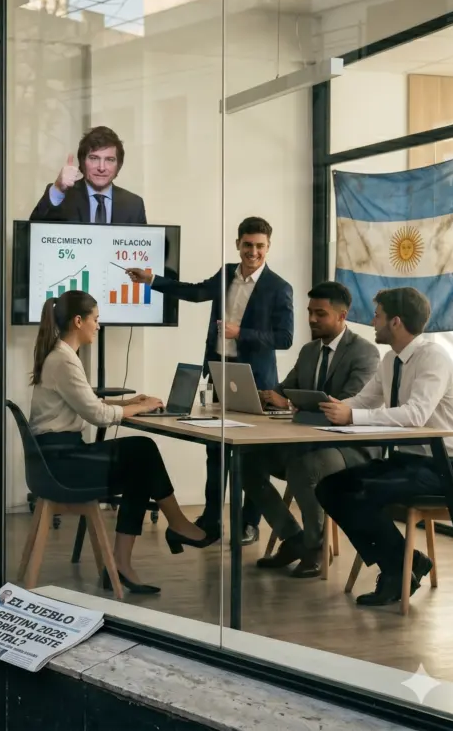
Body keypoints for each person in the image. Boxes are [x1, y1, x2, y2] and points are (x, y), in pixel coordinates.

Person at [28, 290, 213, 595]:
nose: (98, 326)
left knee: (140, 462)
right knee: (142, 451)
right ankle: (173, 526)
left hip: (56, 458)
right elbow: (98, 415)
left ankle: (128, 559)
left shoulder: (60, 355)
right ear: (78, 321)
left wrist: (129, 402)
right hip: (62, 466)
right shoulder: (63, 360)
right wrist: (140, 407)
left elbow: (86, 401)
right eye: (96, 319)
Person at [128, 216, 294, 545]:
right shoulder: (226, 273)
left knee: (253, 457)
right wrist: (152, 280)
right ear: (238, 244)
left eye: (260, 246)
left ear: (269, 247)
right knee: (215, 451)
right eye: (248, 245)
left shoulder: (279, 287)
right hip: (220, 372)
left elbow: (285, 338)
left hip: (257, 381)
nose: (253, 252)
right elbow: (195, 292)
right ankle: (212, 518)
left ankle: (249, 523)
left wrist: (241, 332)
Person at [317, 287, 453, 607]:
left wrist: (352, 415)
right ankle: (407, 562)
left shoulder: (433, 358)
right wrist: (330, 407)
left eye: (377, 316)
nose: (373, 322)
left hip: (444, 467)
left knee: (362, 494)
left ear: (396, 322)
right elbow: (363, 401)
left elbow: (415, 415)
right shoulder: (390, 360)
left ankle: (396, 572)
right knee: (329, 488)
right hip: (406, 461)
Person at [242, 282, 380, 577]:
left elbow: (345, 407)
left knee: (304, 468)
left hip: (351, 448)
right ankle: (294, 539)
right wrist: (260, 397)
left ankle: (316, 547)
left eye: (321, 313)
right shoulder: (308, 351)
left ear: (342, 316)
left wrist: (292, 404)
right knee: (247, 463)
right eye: (309, 312)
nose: (312, 319)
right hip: (308, 442)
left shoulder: (364, 353)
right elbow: (283, 391)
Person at [29, 126, 146, 225]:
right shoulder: (63, 196)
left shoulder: (134, 205)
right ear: (82, 162)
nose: (101, 168)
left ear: (118, 165)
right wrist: (58, 189)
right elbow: (32, 233)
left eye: (109, 160)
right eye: (94, 158)